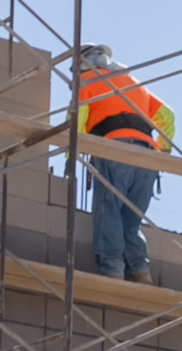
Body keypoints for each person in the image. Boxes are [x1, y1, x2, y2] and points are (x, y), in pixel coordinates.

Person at [75, 44, 175, 283]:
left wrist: (73, 151)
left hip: (114, 149)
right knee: (131, 220)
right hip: (147, 157)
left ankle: (112, 270)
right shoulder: (132, 83)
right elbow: (168, 116)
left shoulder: (87, 81)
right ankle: (140, 270)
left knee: (108, 211)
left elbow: (77, 116)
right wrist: (163, 151)